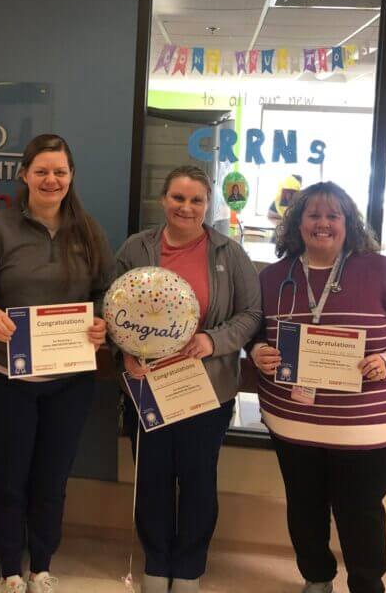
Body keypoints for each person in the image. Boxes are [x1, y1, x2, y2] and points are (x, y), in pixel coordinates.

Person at [249, 182, 386, 593]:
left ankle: (366, 585)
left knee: (359, 513)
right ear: (297, 223)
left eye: (333, 216)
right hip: (294, 423)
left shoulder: (384, 271)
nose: (323, 224)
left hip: (367, 428)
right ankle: (316, 578)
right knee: (304, 508)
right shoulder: (274, 277)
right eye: (313, 215)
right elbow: (254, 330)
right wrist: (258, 350)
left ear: (348, 223)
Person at [0, 133, 114, 593]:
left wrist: (101, 321)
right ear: (24, 174)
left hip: (69, 381)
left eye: (60, 172)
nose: (51, 180)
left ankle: (41, 566)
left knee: (51, 477)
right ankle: (9, 569)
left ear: (71, 176)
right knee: (8, 477)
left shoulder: (89, 231)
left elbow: (105, 292)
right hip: (5, 377)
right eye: (42, 171)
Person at [115, 165, 262, 593]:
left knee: (198, 482)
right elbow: (112, 307)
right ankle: (156, 561)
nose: (186, 207)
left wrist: (213, 340)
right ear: (163, 200)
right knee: (152, 480)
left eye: (196, 200)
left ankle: (189, 566)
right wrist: (125, 351)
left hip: (206, 390)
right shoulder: (136, 248)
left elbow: (251, 314)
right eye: (178, 198)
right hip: (148, 387)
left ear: (208, 204)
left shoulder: (229, 254)